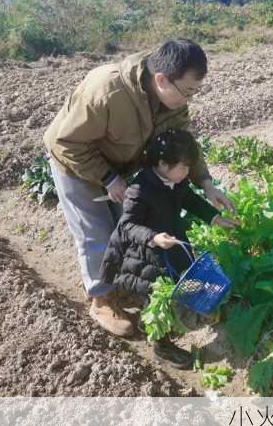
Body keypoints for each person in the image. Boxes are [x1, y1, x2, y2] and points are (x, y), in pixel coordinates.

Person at [44, 37, 237, 337]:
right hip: (75, 162)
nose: (188, 99)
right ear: (161, 79)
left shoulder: (170, 101)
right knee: (96, 233)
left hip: (121, 164)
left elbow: (183, 143)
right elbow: (66, 142)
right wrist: (109, 180)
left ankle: (124, 283)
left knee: (131, 225)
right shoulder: (107, 92)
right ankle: (102, 299)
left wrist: (206, 184)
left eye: (194, 92)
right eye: (186, 91)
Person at [99, 129, 238, 368]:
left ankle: (188, 316)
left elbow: (190, 199)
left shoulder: (177, 180)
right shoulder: (139, 190)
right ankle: (161, 346)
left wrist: (214, 218)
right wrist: (153, 237)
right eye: (183, 168)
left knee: (179, 282)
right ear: (163, 164)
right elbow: (127, 226)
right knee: (155, 299)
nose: (186, 174)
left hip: (172, 245)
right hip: (147, 256)